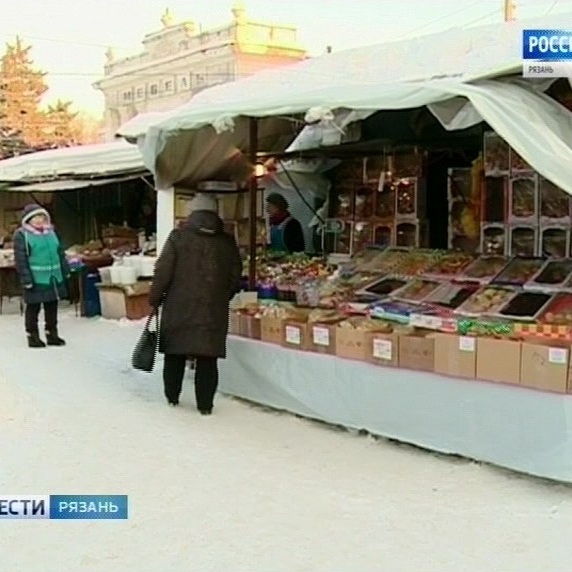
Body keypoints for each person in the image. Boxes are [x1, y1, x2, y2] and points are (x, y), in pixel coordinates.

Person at [149, 194, 242, 415]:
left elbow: (163, 270)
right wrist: (221, 296)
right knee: (208, 358)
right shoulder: (227, 242)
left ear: (193, 211)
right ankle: (205, 406)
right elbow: (235, 275)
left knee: (175, 353)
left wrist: (155, 297)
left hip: (178, 306)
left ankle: (172, 397)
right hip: (213, 310)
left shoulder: (178, 238)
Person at [13, 204, 69, 348]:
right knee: (33, 307)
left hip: (53, 277)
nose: (39, 220)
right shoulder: (22, 235)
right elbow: (21, 260)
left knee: (52, 306)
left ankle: (52, 334)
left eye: (42, 217)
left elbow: (60, 253)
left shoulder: (52, 233)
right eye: (35, 218)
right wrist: (26, 279)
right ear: (28, 220)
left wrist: (66, 269)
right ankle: (32, 336)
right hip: (35, 278)